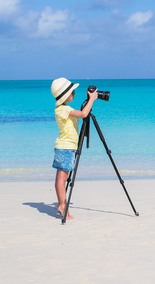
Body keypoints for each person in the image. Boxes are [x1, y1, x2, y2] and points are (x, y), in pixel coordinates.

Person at [51, 77, 98, 220]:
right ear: (66, 95)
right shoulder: (63, 110)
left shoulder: (64, 109)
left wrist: (89, 101)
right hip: (65, 148)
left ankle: (62, 204)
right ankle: (62, 205)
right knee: (61, 178)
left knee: (62, 177)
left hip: (66, 147)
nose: (74, 94)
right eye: (72, 92)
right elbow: (83, 114)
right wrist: (92, 99)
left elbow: (81, 113)